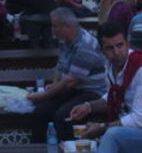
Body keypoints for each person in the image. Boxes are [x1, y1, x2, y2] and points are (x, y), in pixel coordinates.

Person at [67, 22, 142, 152]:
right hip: (131, 130)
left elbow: (140, 119)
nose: (116, 52)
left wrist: (102, 127)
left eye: (120, 45)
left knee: (112, 135)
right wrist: (88, 107)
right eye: (110, 48)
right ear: (102, 51)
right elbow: (112, 97)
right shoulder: (110, 67)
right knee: (83, 122)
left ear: (128, 44)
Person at [28, 8, 107, 142]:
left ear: (67, 26)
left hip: (91, 91)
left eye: (55, 26)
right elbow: (60, 67)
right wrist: (54, 85)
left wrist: (42, 95)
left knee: (64, 115)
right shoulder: (65, 40)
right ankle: (40, 147)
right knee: (40, 112)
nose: (52, 29)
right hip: (74, 90)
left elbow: (71, 82)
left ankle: (67, 148)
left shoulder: (85, 45)